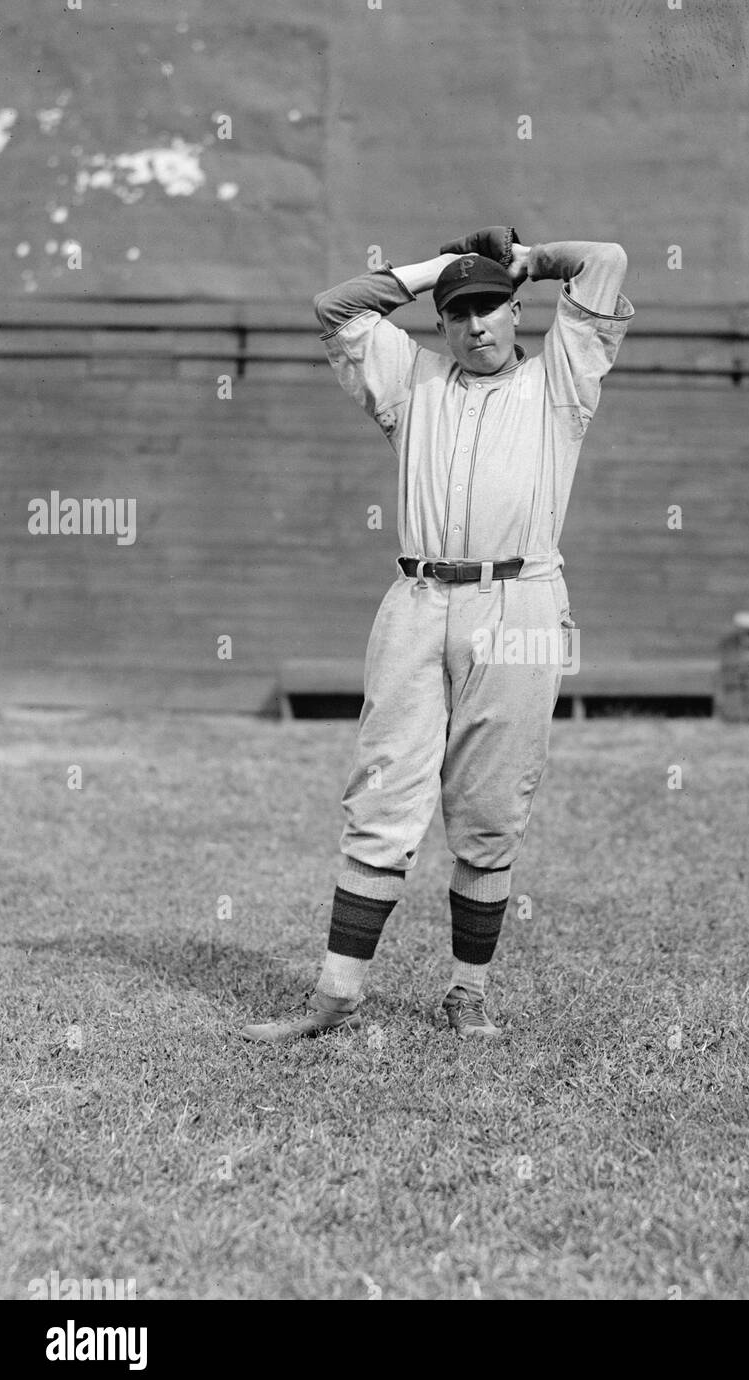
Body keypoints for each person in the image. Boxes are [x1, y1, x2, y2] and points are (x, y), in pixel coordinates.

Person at [243, 227, 632, 1042]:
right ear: (440, 322)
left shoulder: (561, 381)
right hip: (417, 598)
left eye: (490, 306)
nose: (476, 325)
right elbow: (334, 307)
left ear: (517, 312)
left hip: (518, 600)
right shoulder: (413, 382)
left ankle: (467, 993)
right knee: (382, 794)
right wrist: (437, 268)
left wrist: (529, 259)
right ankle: (335, 996)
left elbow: (607, 261)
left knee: (489, 808)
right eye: (458, 312)